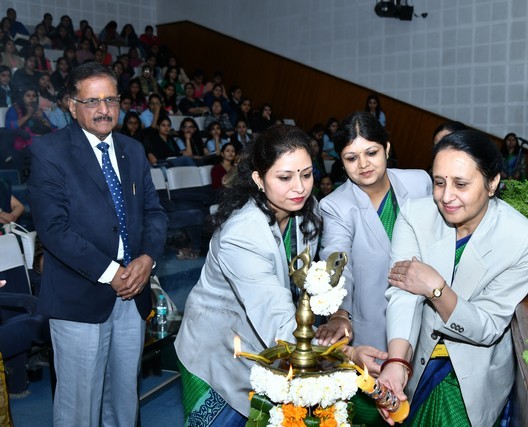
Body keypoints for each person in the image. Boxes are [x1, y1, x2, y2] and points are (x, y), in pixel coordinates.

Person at [28, 62, 168, 427]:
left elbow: (154, 212)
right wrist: (112, 273)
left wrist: (147, 259)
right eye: (92, 101)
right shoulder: (49, 151)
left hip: (133, 295)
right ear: (72, 106)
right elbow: (53, 229)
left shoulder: (133, 150)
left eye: (111, 99)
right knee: (80, 409)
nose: (104, 109)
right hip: (79, 297)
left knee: (123, 404)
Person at [378, 130, 528, 426]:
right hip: (418, 354)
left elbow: (488, 326)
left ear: (493, 183)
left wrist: (436, 288)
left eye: (461, 184)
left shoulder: (520, 238)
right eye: (439, 182)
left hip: (473, 371)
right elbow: (403, 293)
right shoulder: (416, 215)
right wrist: (398, 361)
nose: (446, 196)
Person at [174, 125, 323, 425]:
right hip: (217, 352)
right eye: (285, 177)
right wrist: (342, 355)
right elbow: (274, 315)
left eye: (306, 175)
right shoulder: (241, 234)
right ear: (258, 179)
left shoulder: (309, 213)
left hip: (269, 343)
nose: (300, 188)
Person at [315, 111, 432, 425]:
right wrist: (339, 313)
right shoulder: (336, 205)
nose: (363, 164)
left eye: (371, 153)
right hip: (375, 325)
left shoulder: (419, 182)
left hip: (428, 313)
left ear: (387, 148)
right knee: (383, 410)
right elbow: (336, 260)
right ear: (341, 161)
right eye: (351, 157)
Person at [6, 86, 56, 151]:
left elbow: (51, 129)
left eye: (34, 96)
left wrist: (41, 118)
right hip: (23, 144)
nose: (31, 98)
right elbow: (10, 128)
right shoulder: (14, 109)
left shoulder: (38, 110)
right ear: (22, 97)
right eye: (28, 96)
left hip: (42, 141)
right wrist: (28, 115)